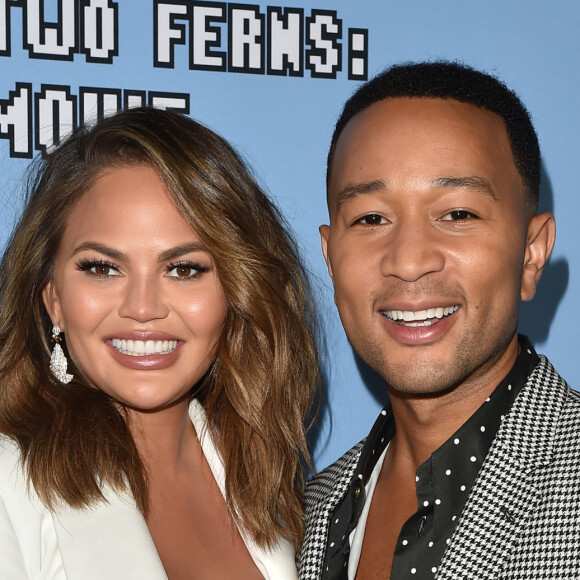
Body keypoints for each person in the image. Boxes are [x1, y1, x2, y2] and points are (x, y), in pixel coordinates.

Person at [0, 106, 319, 579]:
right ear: (53, 300)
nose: (143, 307)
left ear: (237, 292)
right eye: (102, 268)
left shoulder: (260, 477)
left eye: (184, 269)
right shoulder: (10, 480)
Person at [298, 61, 580, 579]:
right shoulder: (304, 513)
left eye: (457, 215)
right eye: (370, 218)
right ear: (330, 256)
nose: (408, 261)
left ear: (531, 254)